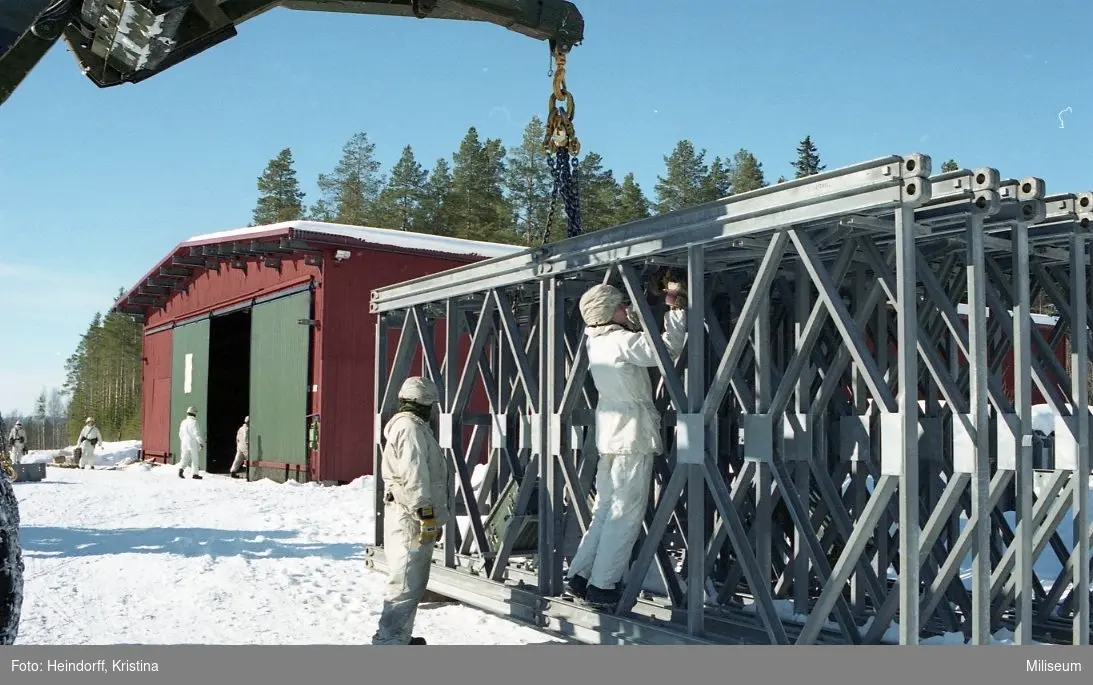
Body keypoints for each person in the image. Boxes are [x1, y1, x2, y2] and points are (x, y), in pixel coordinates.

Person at [564, 279, 688, 609]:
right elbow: (666, 349)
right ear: (608, 312)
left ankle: (580, 575)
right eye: (620, 305)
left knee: (605, 511)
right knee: (626, 514)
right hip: (632, 435)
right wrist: (675, 308)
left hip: (611, 436)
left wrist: (643, 305)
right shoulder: (620, 342)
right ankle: (602, 586)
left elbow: (631, 328)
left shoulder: (596, 342)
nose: (626, 309)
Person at [372, 376, 453, 646]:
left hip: (409, 513)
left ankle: (398, 637)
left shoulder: (412, 427)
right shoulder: (410, 429)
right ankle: (390, 641)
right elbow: (414, 475)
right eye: (431, 404)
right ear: (422, 403)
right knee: (405, 582)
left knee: (411, 580)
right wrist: (426, 515)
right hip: (410, 517)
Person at [178, 406, 204, 480]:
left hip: (184, 442)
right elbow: (197, 434)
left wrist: (183, 440)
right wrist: (201, 443)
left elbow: (180, 433)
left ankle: (181, 470)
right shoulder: (194, 422)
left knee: (184, 457)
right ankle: (195, 474)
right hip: (192, 443)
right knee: (195, 459)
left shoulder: (183, 422)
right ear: (194, 413)